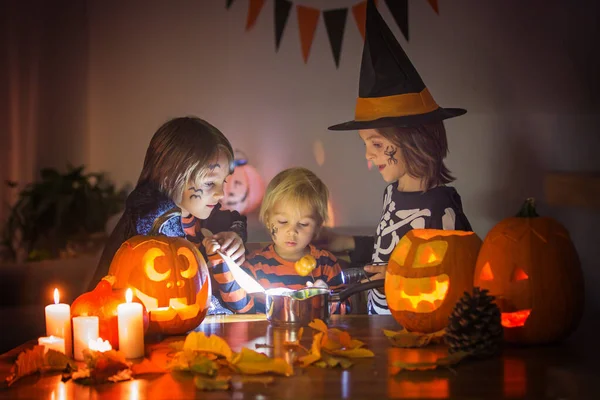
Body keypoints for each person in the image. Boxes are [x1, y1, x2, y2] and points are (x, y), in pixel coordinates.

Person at [323, 0, 472, 315]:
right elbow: (386, 248)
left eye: (376, 144)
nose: (368, 155)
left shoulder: (439, 208)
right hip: (381, 323)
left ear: (412, 140)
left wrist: (403, 276)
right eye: (366, 144)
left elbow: (459, 270)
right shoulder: (393, 192)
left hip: (416, 322)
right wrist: (343, 242)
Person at [88, 116, 247, 315]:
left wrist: (233, 235)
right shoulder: (151, 212)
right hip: (136, 322)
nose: (220, 193)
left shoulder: (197, 209)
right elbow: (183, 294)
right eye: (209, 183)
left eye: (223, 182)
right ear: (171, 175)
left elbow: (234, 219)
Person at [205, 167, 349, 314]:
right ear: (268, 220)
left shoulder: (326, 265)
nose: (292, 231)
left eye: (304, 224)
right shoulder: (256, 264)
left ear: (318, 225)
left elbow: (345, 312)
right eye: (282, 221)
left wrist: (324, 299)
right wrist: (221, 265)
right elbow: (242, 308)